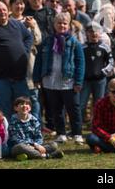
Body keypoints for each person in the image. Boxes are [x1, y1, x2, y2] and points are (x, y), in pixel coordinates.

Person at [33, 12, 85, 144]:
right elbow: (38, 61)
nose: (62, 25)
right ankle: (61, 133)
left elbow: (80, 63)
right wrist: (37, 78)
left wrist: (78, 81)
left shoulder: (74, 43)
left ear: (68, 25)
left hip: (69, 82)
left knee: (73, 109)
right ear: (54, 24)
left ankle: (77, 133)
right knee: (56, 109)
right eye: (59, 23)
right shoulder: (47, 42)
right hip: (50, 81)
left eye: (64, 23)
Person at [9, 0, 42, 123]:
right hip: (13, 64)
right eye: (16, 3)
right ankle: (18, 126)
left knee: (33, 97)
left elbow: (38, 40)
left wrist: (33, 27)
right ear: (10, 5)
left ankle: (35, 125)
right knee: (17, 98)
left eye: (21, 3)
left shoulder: (30, 20)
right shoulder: (7, 21)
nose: (19, 6)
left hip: (30, 64)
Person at [80, 22, 113, 121]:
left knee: (99, 103)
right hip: (85, 81)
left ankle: (97, 124)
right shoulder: (82, 48)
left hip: (100, 81)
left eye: (96, 31)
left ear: (100, 33)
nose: (94, 34)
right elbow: (78, 63)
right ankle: (79, 126)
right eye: (91, 31)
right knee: (82, 103)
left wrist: (103, 72)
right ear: (86, 33)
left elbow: (111, 62)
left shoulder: (105, 47)